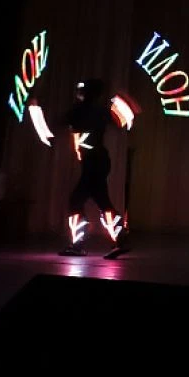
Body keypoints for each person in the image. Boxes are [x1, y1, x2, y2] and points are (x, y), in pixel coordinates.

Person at [60, 78, 131, 259]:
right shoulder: (98, 111)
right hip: (99, 161)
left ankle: (79, 245)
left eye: (82, 90)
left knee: (78, 201)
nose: (79, 93)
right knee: (101, 201)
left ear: (87, 93)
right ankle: (120, 241)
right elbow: (119, 120)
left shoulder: (81, 110)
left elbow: (61, 121)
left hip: (93, 162)